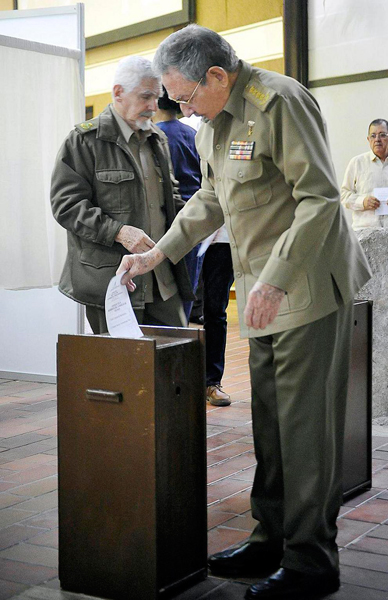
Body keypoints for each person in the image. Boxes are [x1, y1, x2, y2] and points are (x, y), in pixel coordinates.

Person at [117, 25, 371, 600]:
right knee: (272, 424)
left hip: (303, 285)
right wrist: (161, 250)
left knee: (306, 427)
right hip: (262, 289)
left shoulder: (278, 101)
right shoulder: (214, 124)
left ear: (216, 76)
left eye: (183, 97)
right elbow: (211, 197)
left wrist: (276, 281)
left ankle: (312, 560)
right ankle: (271, 535)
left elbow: (320, 199)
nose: (178, 109)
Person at [51, 56, 192, 333]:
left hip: (163, 278)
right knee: (121, 369)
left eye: (157, 97)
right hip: (114, 282)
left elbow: (170, 199)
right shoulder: (84, 141)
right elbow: (66, 205)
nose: (154, 106)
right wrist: (118, 231)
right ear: (118, 93)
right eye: (146, 96)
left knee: (175, 362)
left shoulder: (157, 139)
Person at [157, 103, 234, 406]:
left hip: (221, 236)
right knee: (183, 310)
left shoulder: (223, 132)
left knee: (212, 309)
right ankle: (180, 382)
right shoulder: (184, 135)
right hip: (184, 235)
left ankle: (210, 382)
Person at [154, 88, 203, 322]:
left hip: (167, 219)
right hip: (197, 216)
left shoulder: (155, 136)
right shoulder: (193, 134)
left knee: (165, 286)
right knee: (188, 283)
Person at [341, 118, 388, 230]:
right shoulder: (357, 163)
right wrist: (362, 202)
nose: (377, 139)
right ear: (368, 139)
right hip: (364, 232)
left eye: (382, 135)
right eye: (373, 136)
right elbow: (344, 196)